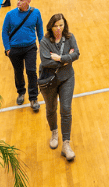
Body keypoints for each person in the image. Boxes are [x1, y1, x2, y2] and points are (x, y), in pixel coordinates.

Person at [39, 13, 80, 162]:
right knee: (51, 109)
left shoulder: (70, 37)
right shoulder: (44, 41)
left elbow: (76, 54)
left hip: (67, 78)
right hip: (49, 81)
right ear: (51, 26)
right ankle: (54, 132)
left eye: (61, 25)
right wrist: (65, 61)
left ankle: (66, 145)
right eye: (56, 26)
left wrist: (60, 58)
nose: (58, 28)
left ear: (64, 25)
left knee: (66, 109)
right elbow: (45, 62)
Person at [2, 0, 44, 111]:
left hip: (30, 47)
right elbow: (5, 32)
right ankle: (21, 92)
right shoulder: (10, 15)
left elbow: (39, 29)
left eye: (21, 0)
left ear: (28, 2)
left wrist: (41, 42)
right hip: (14, 49)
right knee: (18, 71)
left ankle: (33, 98)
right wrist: (7, 48)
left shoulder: (36, 13)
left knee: (31, 71)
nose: (18, 2)